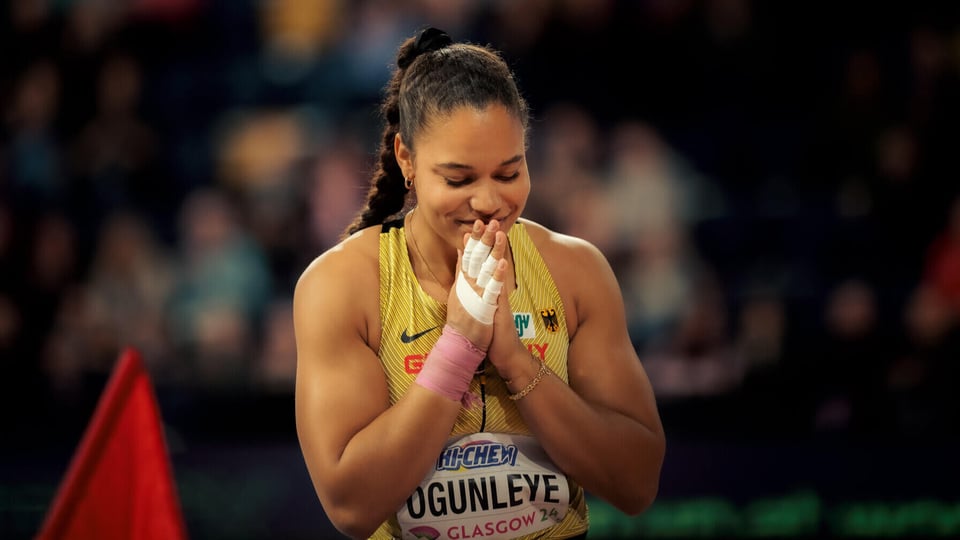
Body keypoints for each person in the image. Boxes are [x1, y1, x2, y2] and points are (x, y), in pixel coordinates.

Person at [293, 27, 666, 540]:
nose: (490, 202)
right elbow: (352, 506)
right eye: (459, 179)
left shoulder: (576, 272)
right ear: (406, 159)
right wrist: (459, 347)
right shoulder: (342, 285)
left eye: (509, 174)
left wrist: (515, 360)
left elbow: (636, 483)